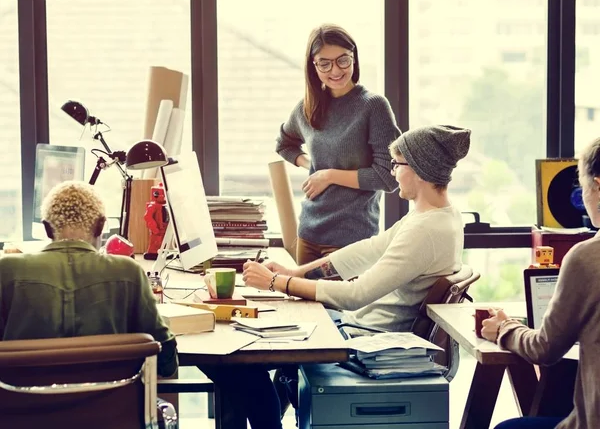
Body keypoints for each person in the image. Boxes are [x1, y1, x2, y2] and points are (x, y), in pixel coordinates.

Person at [209, 125, 469, 428]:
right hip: (360, 326)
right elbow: (366, 250)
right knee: (254, 354)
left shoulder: (426, 230)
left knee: (235, 361)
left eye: (398, 164)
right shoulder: (436, 216)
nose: (393, 172)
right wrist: (296, 272)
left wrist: (275, 282)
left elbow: (355, 295)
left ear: (420, 170)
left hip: (369, 340)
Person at [0, 181, 177, 378]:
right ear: (100, 226)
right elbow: (167, 364)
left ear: (48, 229)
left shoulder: (6, 271)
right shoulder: (129, 273)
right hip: (113, 407)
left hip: (24, 406)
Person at [481, 137, 600, 429]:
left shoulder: (587, 257)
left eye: (582, 186)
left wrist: (505, 328)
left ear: (598, 185)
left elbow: (544, 349)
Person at [276, 23, 400, 265]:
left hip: (351, 238)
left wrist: (329, 175)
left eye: (343, 60)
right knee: (302, 304)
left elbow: (388, 177)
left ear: (353, 58)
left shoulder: (373, 106)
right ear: (313, 66)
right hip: (308, 233)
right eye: (324, 63)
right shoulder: (307, 108)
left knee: (339, 303)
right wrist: (313, 165)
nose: (335, 70)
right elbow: (284, 144)